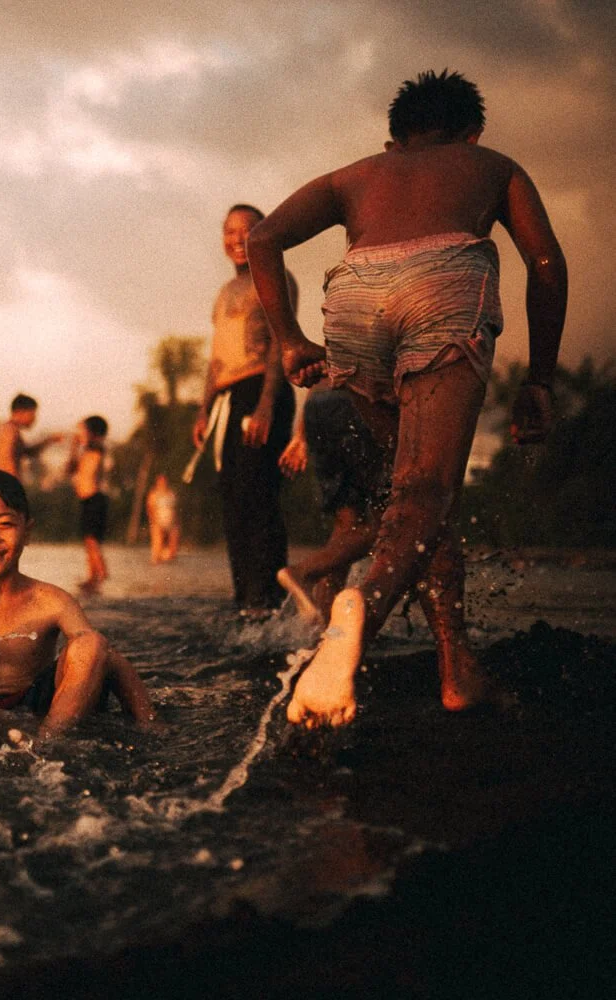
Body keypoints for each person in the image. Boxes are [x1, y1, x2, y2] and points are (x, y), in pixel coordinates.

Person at [245, 70, 566, 726]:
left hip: (355, 296)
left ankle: (456, 669)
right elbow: (546, 264)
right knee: (425, 493)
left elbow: (262, 239)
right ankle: (357, 616)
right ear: (471, 131)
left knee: (416, 500)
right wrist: (539, 379)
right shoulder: (493, 164)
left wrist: (290, 339)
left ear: (395, 138)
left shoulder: (355, 174)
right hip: (441, 289)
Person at [0, 470, 157, 738]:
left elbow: (101, 655)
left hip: (42, 708)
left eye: (5, 524)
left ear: (27, 531)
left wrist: (150, 723)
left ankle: (48, 741)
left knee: (92, 642)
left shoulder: (51, 600)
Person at [193, 204, 298, 617]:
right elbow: (216, 357)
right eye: (229, 230)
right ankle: (246, 602)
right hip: (227, 399)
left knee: (258, 498)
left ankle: (269, 602)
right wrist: (203, 409)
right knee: (234, 503)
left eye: (247, 229)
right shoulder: (225, 292)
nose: (237, 238)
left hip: (261, 391)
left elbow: (280, 341)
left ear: (263, 233)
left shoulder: (273, 277)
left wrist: (267, 405)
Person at [275, 386, 388, 626]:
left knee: (348, 527)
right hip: (358, 401)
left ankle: (325, 624)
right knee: (391, 526)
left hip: (318, 405)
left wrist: (300, 435)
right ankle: (304, 572)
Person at [66, 415, 111, 593]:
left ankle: (100, 573)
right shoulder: (85, 452)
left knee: (92, 539)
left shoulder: (97, 448)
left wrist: (81, 439)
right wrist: (74, 446)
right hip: (86, 499)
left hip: (95, 498)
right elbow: (70, 469)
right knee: (88, 539)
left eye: (83, 430)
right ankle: (93, 576)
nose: (79, 434)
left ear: (93, 433)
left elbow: (93, 443)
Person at [0, 393, 60, 480]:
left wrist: (49, 440)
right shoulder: (8, 432)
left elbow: (28, 452)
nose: (34, 419)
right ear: (20, 412)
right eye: (32, 414)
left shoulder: (11, 430)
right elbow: (4, 461)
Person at [145, 473, 180, 565]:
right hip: (158, 521)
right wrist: (154, 521)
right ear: (157, 483)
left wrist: (176, 521)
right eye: (160, 482)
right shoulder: (154, 494)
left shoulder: (171, 493)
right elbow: (149, 508)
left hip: (170, 522)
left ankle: (165, 557)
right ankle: (156, 559)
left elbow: (175, 508)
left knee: (173, 549)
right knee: (157, 544)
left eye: (164, 481)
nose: (163, 483)